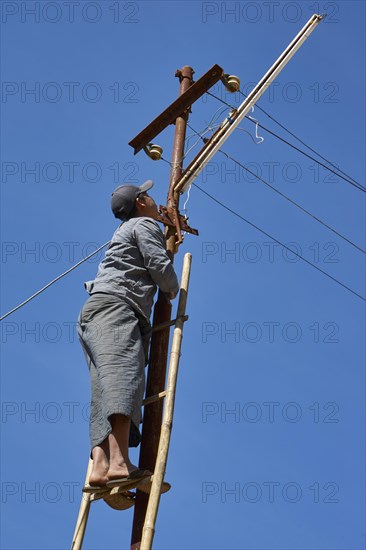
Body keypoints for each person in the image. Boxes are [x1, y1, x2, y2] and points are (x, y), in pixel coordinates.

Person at [77, 180, 179, 492]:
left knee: (104, 386)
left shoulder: (126, 231)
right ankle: (120, 464)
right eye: (148, 195)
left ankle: (101, 467)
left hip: (96, 311)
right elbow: (159, 266)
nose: (154, 201)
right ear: (140, 201)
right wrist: (174, 288)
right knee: (123, 376)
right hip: (116, 308)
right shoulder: (144, 224)